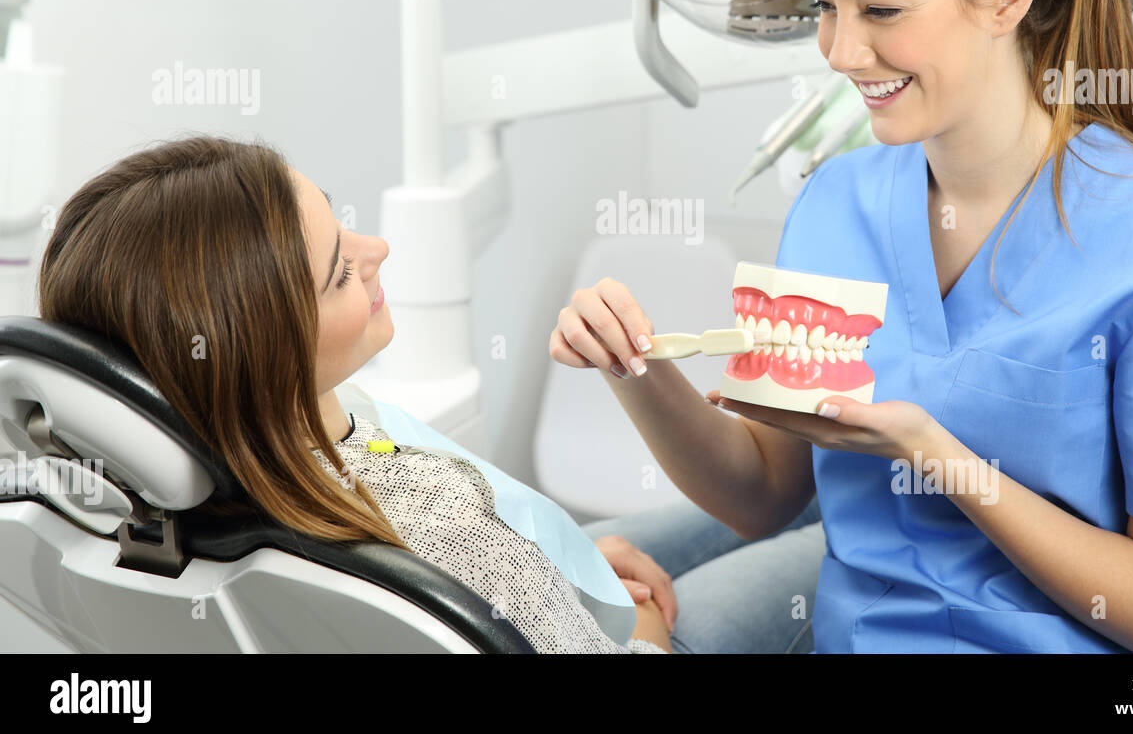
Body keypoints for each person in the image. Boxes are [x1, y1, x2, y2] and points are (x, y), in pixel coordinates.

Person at [548, 0, 1133, 653]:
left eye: (880, 9)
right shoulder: (837, 203)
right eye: (825, 7)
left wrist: (935, 452)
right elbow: (763, 492)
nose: (839, 49)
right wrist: (636, 369)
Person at [37, 134, 674, 653]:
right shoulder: (441, 528)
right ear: (267, 358)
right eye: (340, 271)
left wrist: (541, 575)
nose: (378, 250)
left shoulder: (147, 512)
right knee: (776, 545)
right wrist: (648, 626)